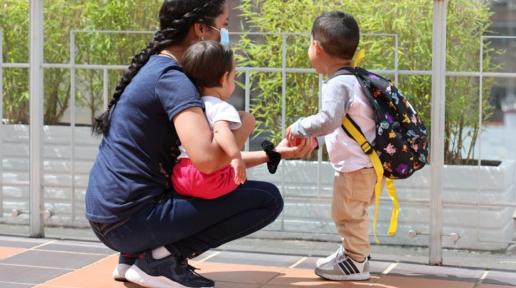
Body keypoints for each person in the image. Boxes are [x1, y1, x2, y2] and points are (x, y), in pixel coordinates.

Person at [85, 1, 315, 288]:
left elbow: (200, 164)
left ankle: (134, 257)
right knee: (266, 199)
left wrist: (274, 154)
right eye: (225, 26)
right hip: (130, 220)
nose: (225, 36)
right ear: (202, 30)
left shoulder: (158, 66)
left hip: (113, 216)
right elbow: (208, 160)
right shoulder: (173, 80)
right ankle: (160, 260)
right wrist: (245, 124)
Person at [286, 11, 374, 281]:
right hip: (365, 164)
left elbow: (328, 120)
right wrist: (318, 139)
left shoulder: (338, 84)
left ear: (317, 47)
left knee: (346, 214)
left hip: (354, 167)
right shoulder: (356, 79)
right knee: (353, 213)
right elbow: (344, 124)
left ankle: (356, 261)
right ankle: (354, 253)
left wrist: (299, 127)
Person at [173, 40, 253, 199]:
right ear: (225, 78)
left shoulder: (189, 106)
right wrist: (236, 156)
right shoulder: (221, 107)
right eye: (234, 77)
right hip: (208, 181)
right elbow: (220, 131)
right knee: (242, 181)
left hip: (180, 176)